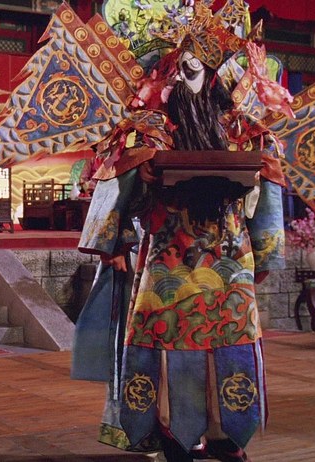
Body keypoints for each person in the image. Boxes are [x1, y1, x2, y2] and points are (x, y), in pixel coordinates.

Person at [70, 5, 287, 462]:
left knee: (228, 340)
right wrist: (117, 240)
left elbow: (268, 179)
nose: (192, 75)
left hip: (229, 258)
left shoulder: (239, 126)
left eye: (201, 67)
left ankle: (225, 434)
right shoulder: (150, 127)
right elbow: (118, 174)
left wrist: (267, 250)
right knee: (166, 339)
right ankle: (169, 429)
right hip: (168, 256)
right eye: (184, 66)